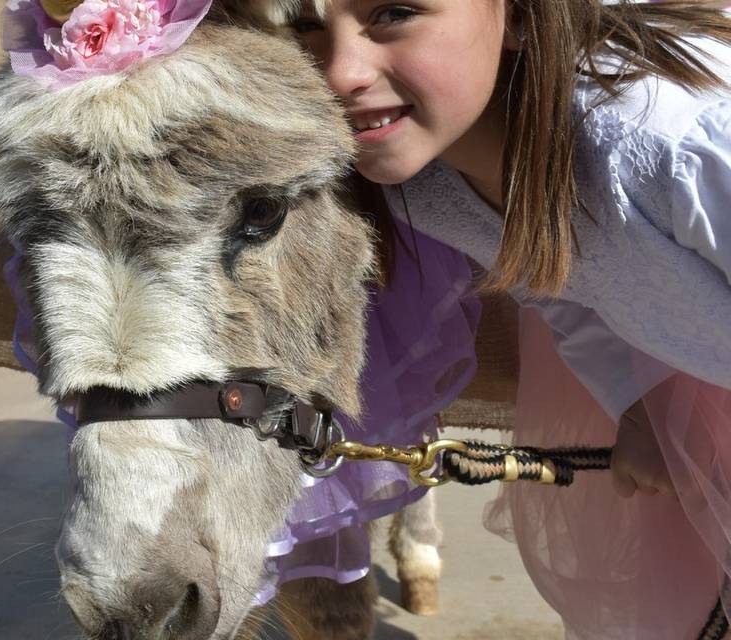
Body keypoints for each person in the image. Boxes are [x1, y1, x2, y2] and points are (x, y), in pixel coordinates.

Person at [289, 0, 731, 637]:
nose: (338, 73)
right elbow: (558, 285)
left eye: (395, 12)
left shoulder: (669, 151)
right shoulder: (427, 190)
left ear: (523, 16)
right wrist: (641, 403)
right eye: (305, 23)